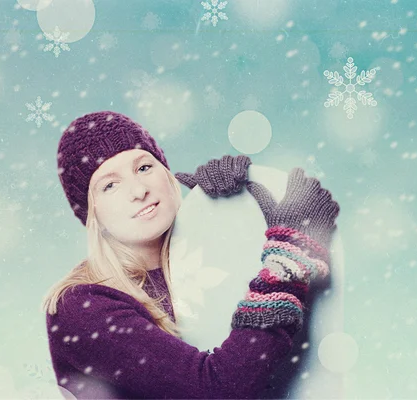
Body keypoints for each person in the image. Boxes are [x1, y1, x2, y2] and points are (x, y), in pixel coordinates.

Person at [40, 110, 340, 399]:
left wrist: (234, 206)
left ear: (166, 172)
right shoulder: (81, 307)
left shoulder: (199, 261)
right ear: (92, 215)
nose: (138, 190)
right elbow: (217, 392)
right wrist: (290, 258)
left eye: (144, 167)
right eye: (110, 185)